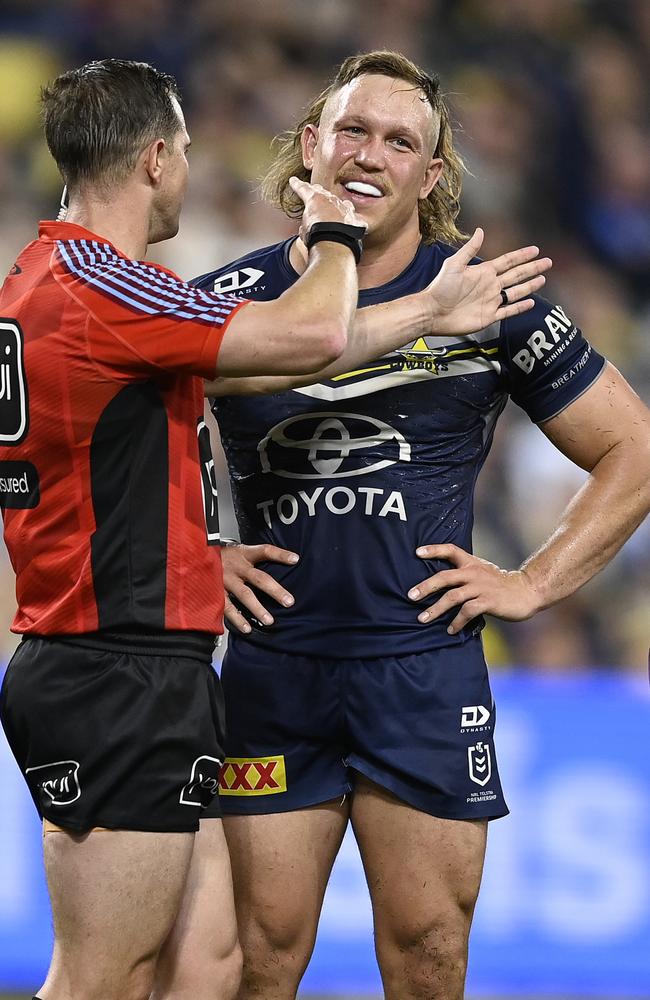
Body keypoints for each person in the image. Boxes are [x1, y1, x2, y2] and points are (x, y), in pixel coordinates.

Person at [0, 57, 547, 1000]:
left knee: (209, 961)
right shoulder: (112, 291)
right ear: (160, 159)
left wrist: (425, 308)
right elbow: (306, 342)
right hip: (116, 663)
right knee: (106, 975)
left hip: (143, 664)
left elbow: (245, 369)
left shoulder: (62, 281)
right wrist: (345, 242)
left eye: (401, 141)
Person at [196, 51, 650, 1000]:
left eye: (401, 141)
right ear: (311, 146)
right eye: (352, 130)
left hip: (422, 666)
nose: (371, 154)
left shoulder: (490, 300)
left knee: (430, 952)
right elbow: (121, 441)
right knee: (257, 957)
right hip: (275, 666)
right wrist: (200, 549)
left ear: (432, 176)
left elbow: (634, 450)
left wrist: (531, 581)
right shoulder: (228, 300)